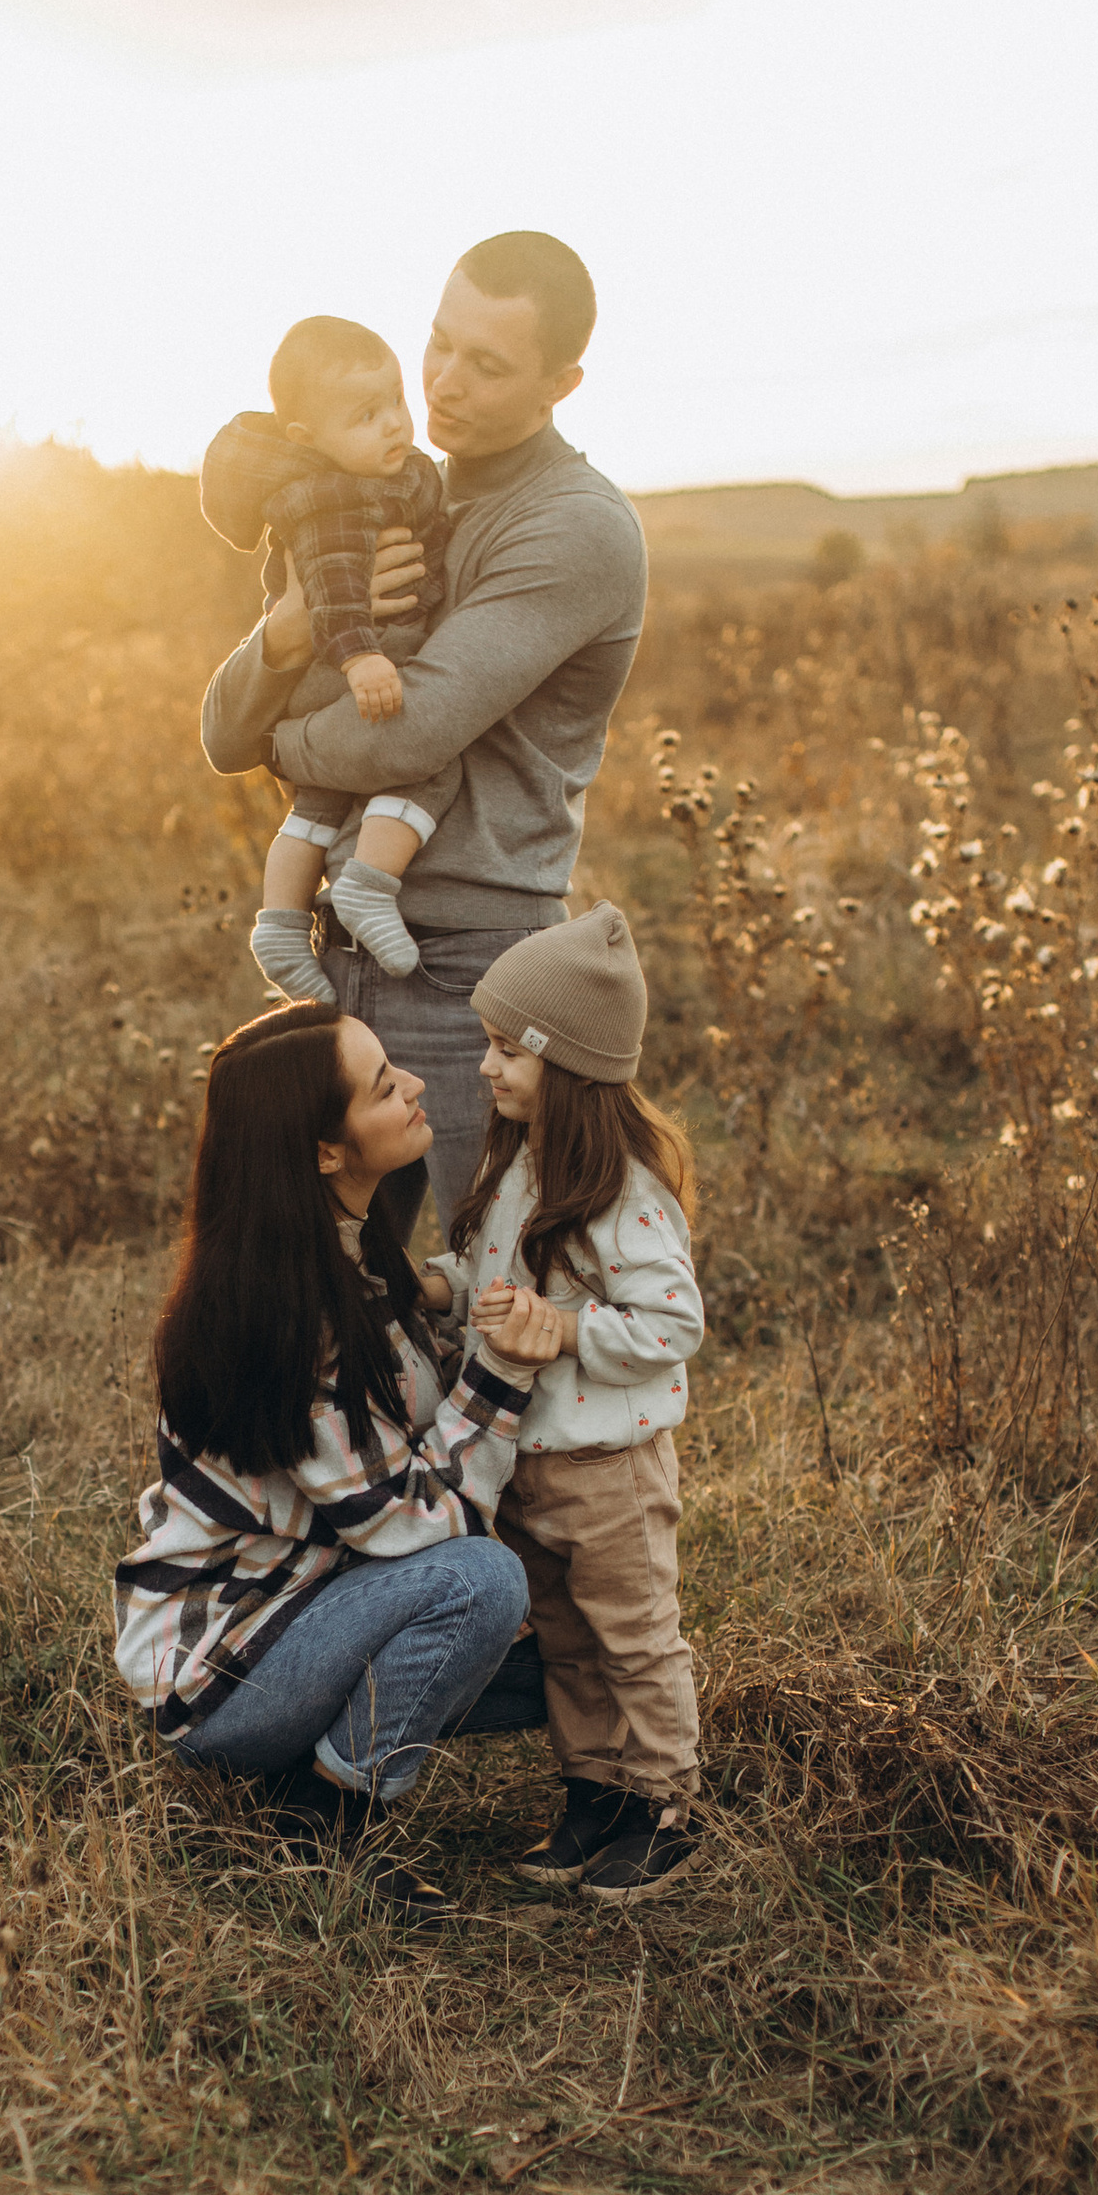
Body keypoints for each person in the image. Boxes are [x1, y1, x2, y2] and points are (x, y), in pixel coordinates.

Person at [200, 230, 648, 1244]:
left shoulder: (573, 525)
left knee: (486, 1284)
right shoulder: (375, 494)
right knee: (343, 1294)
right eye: (437, 343)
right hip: (345, 942)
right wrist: (295, 629)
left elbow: (407, 738)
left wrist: (283, 745)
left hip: (475, 976)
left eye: (485, 365)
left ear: (561, 383)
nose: (441, 383)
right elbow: (220, 726)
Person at [112, 1002, 544, 1919]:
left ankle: (303, 1772)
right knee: (484, 1583)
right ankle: (322, 1824)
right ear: (322, 1152)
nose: (418, 1084)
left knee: (564, 1660)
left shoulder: (346, 1249)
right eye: (386, 1085)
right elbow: (413, 1522)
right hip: (219, 1681)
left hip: (309, 1607)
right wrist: (503, 1373)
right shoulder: (292, 1317)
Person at [435, 904, 706, 1906]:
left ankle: (666, 1804)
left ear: (570, 1062)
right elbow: (486, 1276)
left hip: (608, 1469)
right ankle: (596, 1792)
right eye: (488, 1044)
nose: (487, 1068)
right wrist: (441, 1289)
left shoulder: (623, 1193)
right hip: (527, 1464)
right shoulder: (514, 1164)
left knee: (632, 1635)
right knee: (564, 1638)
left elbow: (671, 1325)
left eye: (509, 1050)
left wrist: (571, 1329)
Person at [198, 317, 458, 1003]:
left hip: (328, 683)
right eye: (367, 416)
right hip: (354, 669)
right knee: (432, 771)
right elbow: (337, 600)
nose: (395, 426)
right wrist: (358, 656)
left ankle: (281, 924)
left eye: (396, 403)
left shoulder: (365, 481)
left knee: (313, 809)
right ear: (309, 442)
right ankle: (368, 887)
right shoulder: (339, 501)